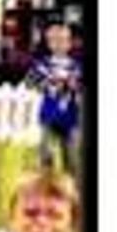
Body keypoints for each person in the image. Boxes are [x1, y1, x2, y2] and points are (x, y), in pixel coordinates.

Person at [25, 24, 82, 174]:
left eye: (63, 40)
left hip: (71, 118)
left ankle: (72, 185)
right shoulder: (43, 64)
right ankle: (46, 182)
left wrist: (72, 86)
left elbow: (78, 87)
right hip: (49, 116)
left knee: (73, 159)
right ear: (49, 43)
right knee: (46, 154)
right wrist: (50, 83)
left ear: (70, 43)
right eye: (54, 40)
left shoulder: (76, 66)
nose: (59, 44)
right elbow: (30, 82)